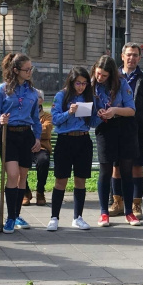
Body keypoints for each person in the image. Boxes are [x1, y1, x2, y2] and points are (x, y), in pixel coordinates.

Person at [0, 53, 42, 233]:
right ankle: (10, 217)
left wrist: (37, 137)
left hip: (25, 135)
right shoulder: (2, 90)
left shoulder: (32, 92)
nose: (29, 72)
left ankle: (16, 214)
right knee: (12, 175)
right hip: (8, 135)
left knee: (22, 177)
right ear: (15, 70)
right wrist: (1, 119)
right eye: (26, 69)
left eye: (31, 69)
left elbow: (36, 118)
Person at [47, 67, 98, 231]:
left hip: (83, 140)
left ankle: (78, 217)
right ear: (71, 81)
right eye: (78, 83)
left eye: (84, 83)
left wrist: (102, 117)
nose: (81, 86)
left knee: (80, 180)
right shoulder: (61, 95)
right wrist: (69, 112)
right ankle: (54, 217)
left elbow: (92, 122)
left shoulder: (89, 97)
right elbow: (55, 119)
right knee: (61, 179)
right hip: (65, 141)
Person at [111, 43, 143, 219]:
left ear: (139, 58)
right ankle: (118, 202)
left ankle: (136, 204)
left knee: (136, 168)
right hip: (116, 130)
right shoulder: (112, 77)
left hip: (138, 131)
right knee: (116, 168)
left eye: (135, 55)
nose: (132, 58)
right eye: (129, 55)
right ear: (122, 56)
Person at [92, 55, 140, 227]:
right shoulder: (91, 85)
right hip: (104, 128)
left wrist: (114, 110)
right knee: (105, 169)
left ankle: (129, 212)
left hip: (125, 127)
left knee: (126, 170)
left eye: (104, 76)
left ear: (111, 74)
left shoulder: (122, 84)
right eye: (98, 74)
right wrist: (98, 114)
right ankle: (104, 212)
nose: (100, 78)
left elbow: (131, 110)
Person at [22, 89, 52, 207]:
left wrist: (28, 129)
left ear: (42, 100)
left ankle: (40, 191)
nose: (35, 99)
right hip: (25, 147)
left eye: (38, 97)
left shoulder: (47, 116)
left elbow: (46, 132)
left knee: (43, 161)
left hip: (42, 148)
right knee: (20, 162)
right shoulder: (24, 113)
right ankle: (25, 192)